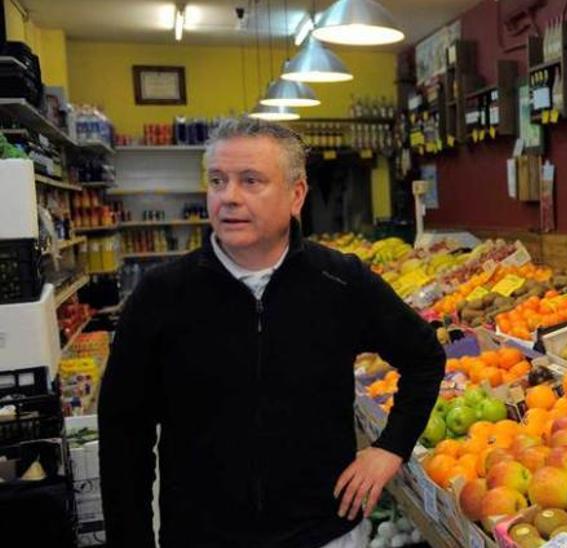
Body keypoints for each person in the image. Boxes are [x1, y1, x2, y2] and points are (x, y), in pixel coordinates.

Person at [99, 118, 445, 547]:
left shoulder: (340, 282)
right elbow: (122, 434)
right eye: (218, 181)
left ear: (296, 194)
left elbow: (425, 357)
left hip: (324, 534)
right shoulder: (161, 295)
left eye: (250, 181)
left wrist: (391, 447)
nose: (229, 197)